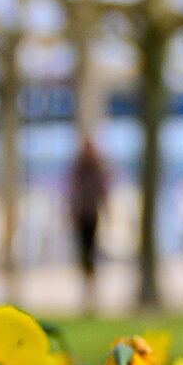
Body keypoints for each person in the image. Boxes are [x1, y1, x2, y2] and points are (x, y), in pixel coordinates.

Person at [64, 133, 110, 317]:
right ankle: (87, 288)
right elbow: (72, 192)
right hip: (81, 217)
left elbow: (102, 191)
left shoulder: (95, 169)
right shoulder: (79, 169)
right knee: (84, 253)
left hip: (91, 216)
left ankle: (91, 289)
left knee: (90, 252)